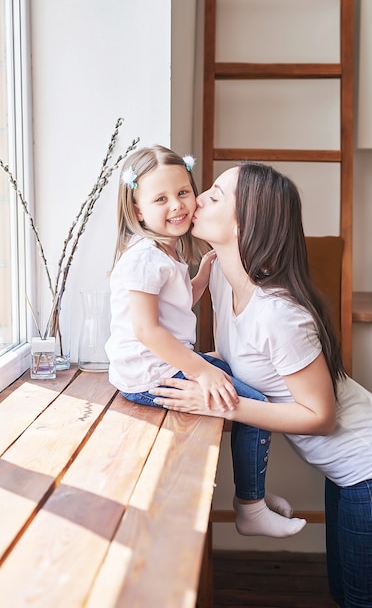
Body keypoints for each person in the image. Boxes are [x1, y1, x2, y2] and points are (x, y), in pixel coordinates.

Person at [149, 162, 372, 608]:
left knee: (368, 603)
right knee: (347, 594)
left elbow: (320, 416)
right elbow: (238, 359)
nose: (196, 201)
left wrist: (219, 404)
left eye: (214, 197)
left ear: (246, 223)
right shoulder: (218, 274)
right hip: (355, 472)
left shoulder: (280, 313)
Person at [105, 146, 306, 539]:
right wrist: (201, 370)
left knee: (245, 382)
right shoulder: (144, 257)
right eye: (160, 199)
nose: (178, 206)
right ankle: (250, 505)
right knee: (252, 403)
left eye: (183, 192)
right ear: (137, 209)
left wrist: (201, 274)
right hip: (152, 375)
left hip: (162, 364)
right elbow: (147, 330)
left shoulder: (166, 250)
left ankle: (255, 495)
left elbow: (174, 306)